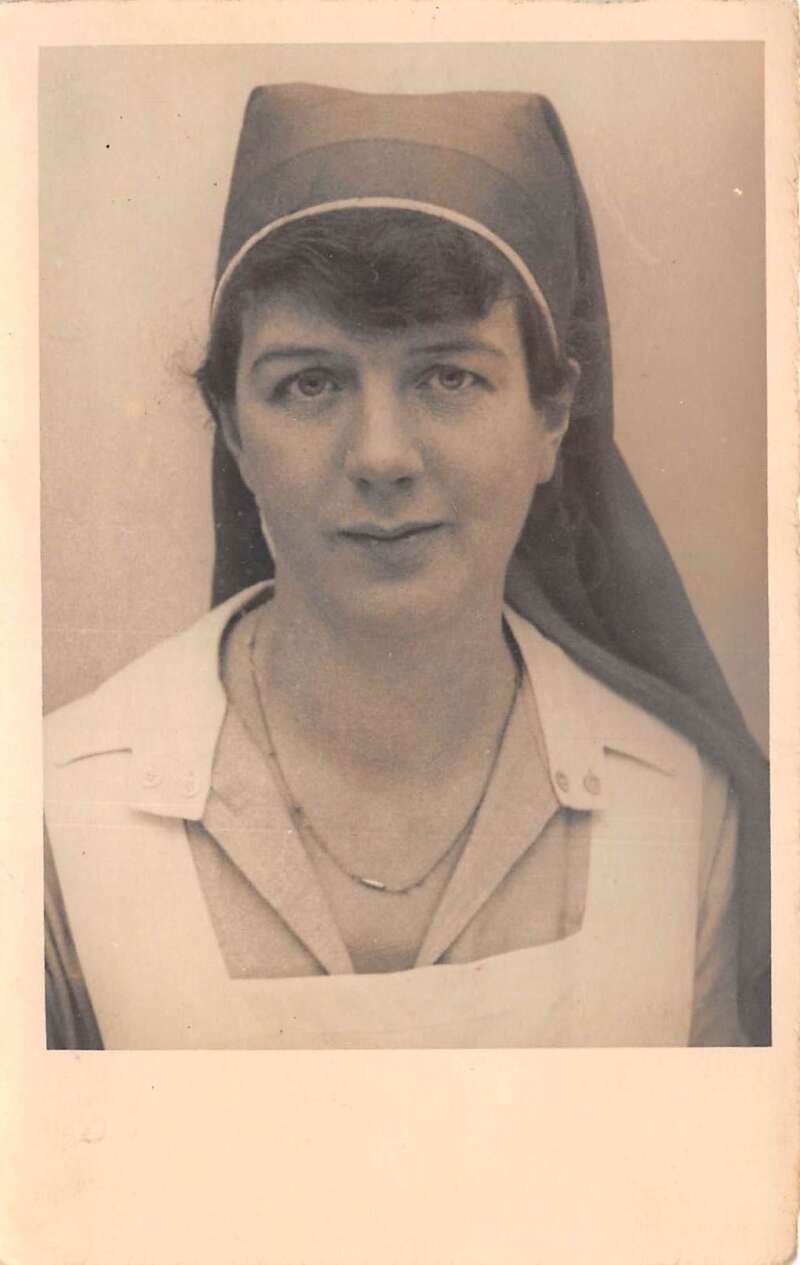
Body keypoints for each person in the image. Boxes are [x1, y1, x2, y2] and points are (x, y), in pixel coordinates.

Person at [44, 83, 770, 1050]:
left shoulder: (682, 810)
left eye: (448, 376)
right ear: (233, 429)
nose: (380, 454)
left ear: (553, 418)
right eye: (310, 382)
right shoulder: (53, 815)